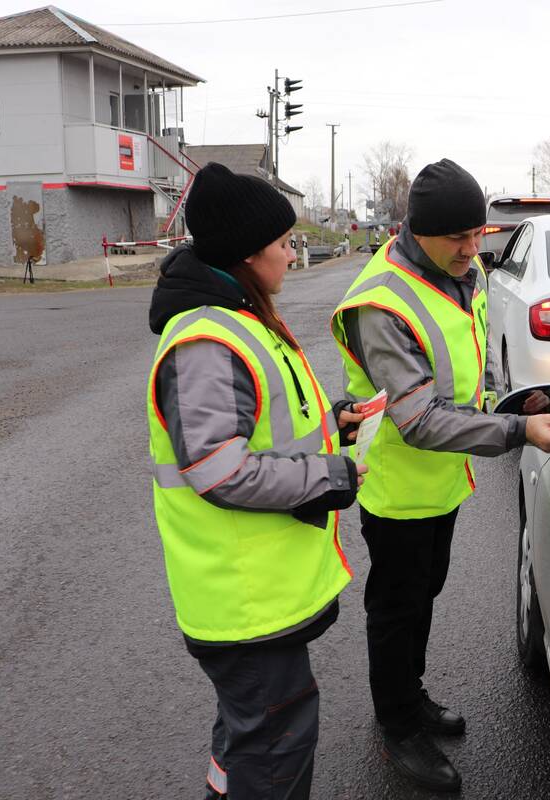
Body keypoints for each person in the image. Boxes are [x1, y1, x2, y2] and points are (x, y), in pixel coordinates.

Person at [329, 158, 550, 792]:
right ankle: (397, 727)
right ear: (419, 230)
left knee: (424, 595)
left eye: (479, 236)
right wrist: (517, 432)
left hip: (441, 482)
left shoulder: (460, 275)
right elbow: (419, 420)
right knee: (396, 608)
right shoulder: (381, 302)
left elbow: (458, 383)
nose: (473, 251)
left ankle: (410, 699)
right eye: (459, 240)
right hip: (398, 485)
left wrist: (507, 409)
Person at [147, 162, 367, 799]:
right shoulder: (209, 340)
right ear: (248, 254)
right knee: (273, 753)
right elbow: (217, 468)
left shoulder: (235, 318)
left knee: (248, 741)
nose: (291, 253)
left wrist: (334, 424)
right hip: (243, 601)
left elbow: (266, 426)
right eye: (282, 244)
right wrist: (327, 475)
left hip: (256, 597)